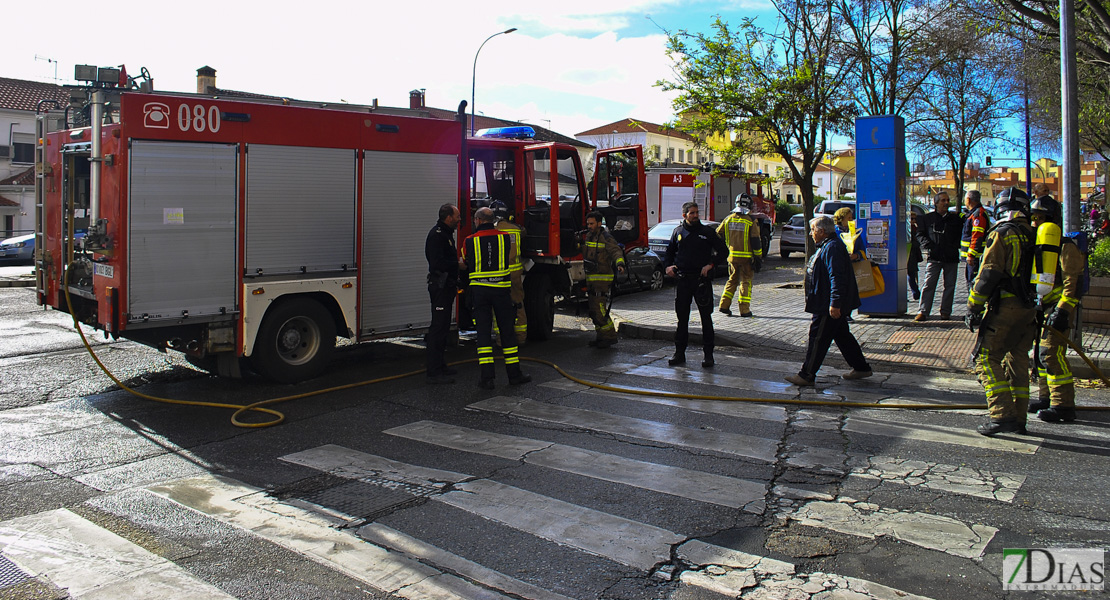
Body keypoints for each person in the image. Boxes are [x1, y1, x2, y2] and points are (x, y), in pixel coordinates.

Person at [967, 187, 1037, 436]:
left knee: (985, 359)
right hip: (1029, 309)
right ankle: (1019, 418)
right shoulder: (1032, 233)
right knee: (1017, 358)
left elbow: (989, 273)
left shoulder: (1002, 233)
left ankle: (1001, 415)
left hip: (1005, 308)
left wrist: (973, 305)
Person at [785, 216, 873, 386]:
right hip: (825, 301)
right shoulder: (828, 245)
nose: (811, 234)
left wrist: (835, 302)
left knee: (818, 337)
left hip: (827, 304)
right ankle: (861, 368)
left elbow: (837, 277)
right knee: (842, 336)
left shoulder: (832, 247)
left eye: (813, 230)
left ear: (822, 231)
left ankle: (807, 374)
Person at [1028, 194, 1085, 422]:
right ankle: (1046, 398)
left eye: (1038, 217)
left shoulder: (1066, 247)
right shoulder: (1041, 245)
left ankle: (1063, 406)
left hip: (1058, 309)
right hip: (1043, 307)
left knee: (1052, 353)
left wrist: (1063, 311)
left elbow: (1073, 283)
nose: (1034, 222)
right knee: (1040, 356)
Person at [462, 207, 532, 389]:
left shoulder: (469, 241)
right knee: (507, 333)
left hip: (480, 293)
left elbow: (465, 261)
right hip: (502, 292)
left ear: (477, 220)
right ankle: (514, 375)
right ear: (492, 220)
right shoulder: (504, 238)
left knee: (484, 335)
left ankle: (487, 378)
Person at [663, 201, 729, 368]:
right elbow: (669, 252)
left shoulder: (707, 232)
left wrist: (711, 265)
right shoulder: (678, 231)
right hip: (683, 280)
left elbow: (723, 251)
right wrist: (668, 267)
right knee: (682, 319)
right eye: (691, 213)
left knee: (706, 319)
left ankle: (708, 356)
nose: (695, 215)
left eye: (696, 212)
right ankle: (679, 353)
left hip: (701, 281)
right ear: (684, 215)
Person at [424, 203, 465, 385]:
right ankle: (434, 371)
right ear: (448, 217)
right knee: (438, 328)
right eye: (457, 216)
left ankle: (440, 365)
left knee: (443, 327)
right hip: (440, 287)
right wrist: (458, 265)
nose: (459, 219)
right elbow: (437, 263)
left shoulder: (446, 235)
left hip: (446, 286)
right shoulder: (437, 235)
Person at [915, 191, 962, 321]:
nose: (946, 203)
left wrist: (954, 246)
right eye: (943, 201)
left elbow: (960, 235)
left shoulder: (956, 219)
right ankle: (923, 311)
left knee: (950, 285)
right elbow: (920, 234)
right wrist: (929, 245)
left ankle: (945, 311)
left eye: (947, 200)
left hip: (951, 257)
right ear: (936, 203)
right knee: (929, 284)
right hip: (934, 256)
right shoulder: (927, 218)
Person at [581, 210, 626, 348]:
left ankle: (610, 336)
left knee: (600, 310)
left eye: (592, 223)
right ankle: (601, 336)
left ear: (599, 223)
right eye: (588, 223)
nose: (589, 226)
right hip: (591, 279)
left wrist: (620, 263)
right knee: (594, 310)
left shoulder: (606, 238)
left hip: (602, 280)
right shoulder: (589, 236)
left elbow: (615, 251)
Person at [716, 194, 763, 317]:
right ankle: (744, 310)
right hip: (746, 259)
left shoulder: (728, 219)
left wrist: (726, 248)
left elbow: (718, 234)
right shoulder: (751, 221)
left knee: (732, 280)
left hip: (732, 258)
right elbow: (756, 241)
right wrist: (758, 257)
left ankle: (724, 305)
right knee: (746, 282)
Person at [491, 200, 528, 345]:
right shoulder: (516, 229)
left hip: (498, 274)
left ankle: (501, 340)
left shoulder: (491, 230)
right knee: (518, 304)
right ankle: (520, 337)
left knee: (498, 307)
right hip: (515, 274)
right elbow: (524, 232)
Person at [961, 190, 989, 288]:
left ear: (968, 200)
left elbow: (977, 236)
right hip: (974, 258)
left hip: (975, 258)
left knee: (973, 283)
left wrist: (971, 255)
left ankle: (974, 303)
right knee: (970, 281)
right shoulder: (974, 214)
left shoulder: (978, 215)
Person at [908, 212, 923, 301]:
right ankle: (915, 292)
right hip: (908, 254)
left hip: (914, 255)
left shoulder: (916, 229)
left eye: (915, 219)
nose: (913, 221)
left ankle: (916, 292)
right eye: (911, 219)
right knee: (911, 274)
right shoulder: (907, 229)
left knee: (913, 274)